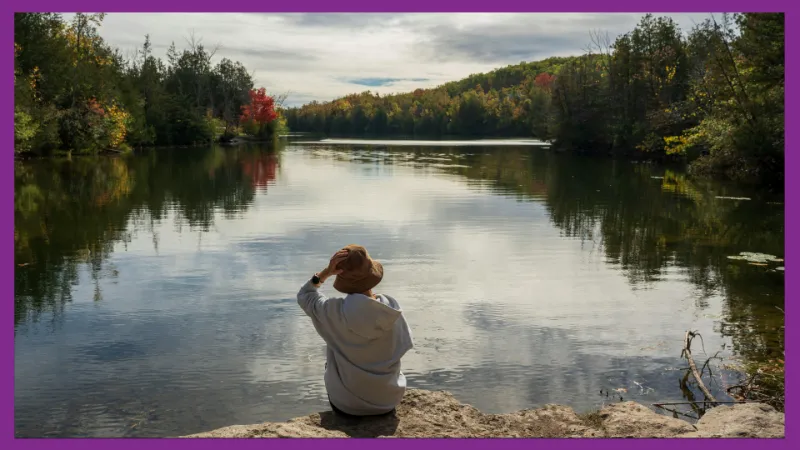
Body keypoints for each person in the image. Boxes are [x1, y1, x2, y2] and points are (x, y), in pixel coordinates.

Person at [296, 245, 413, 418]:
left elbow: (305, 295)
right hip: (388, 401)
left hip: (347, 405)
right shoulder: (391, 310)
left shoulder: (332, 311)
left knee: (332, 353)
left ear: (340, 275)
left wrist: (326, 273)